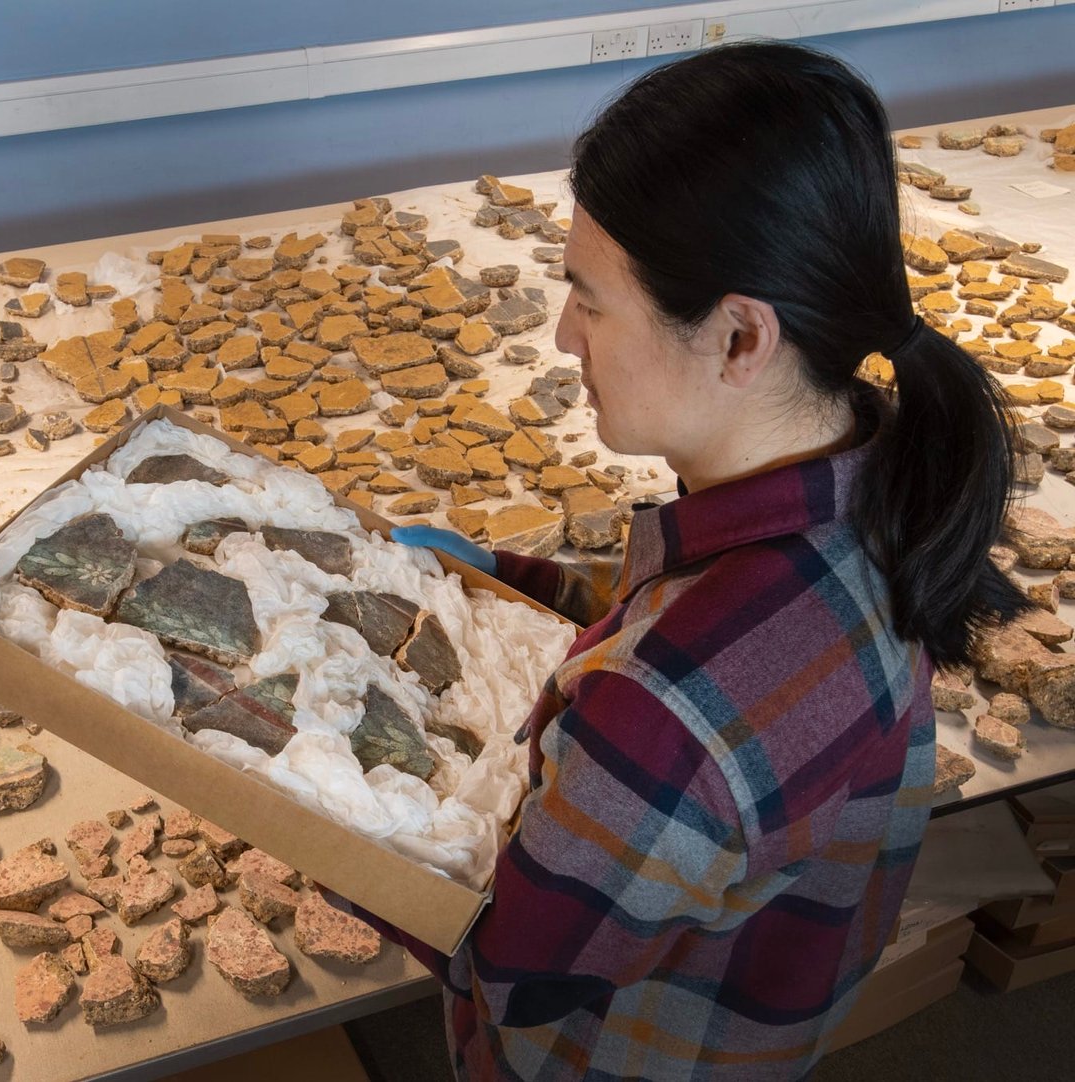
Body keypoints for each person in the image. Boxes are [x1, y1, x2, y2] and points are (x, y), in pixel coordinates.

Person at [372, 41, 1032, 1081]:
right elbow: (686, 623)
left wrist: (300, 804)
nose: (558, 335)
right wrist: (502, 577)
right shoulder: (865, 473)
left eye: (588, 300)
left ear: (737, 338)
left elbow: (504, 965)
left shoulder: (665, 711)